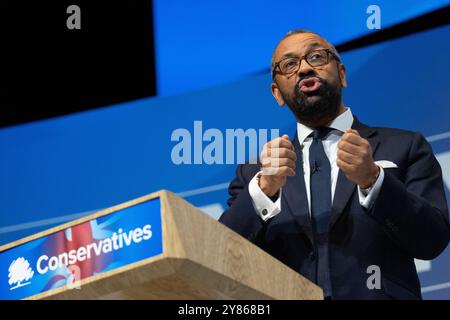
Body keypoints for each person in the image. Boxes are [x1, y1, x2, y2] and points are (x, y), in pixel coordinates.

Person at [218, 30, 450, 299]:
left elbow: (431, 241)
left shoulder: (404, 146)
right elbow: (223, 254)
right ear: (277, 93)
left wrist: (373, 180)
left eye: (316, 56)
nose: (304, 68)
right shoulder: (254, 174)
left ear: (342, 73)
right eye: (289, 65)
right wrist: (264, 189)